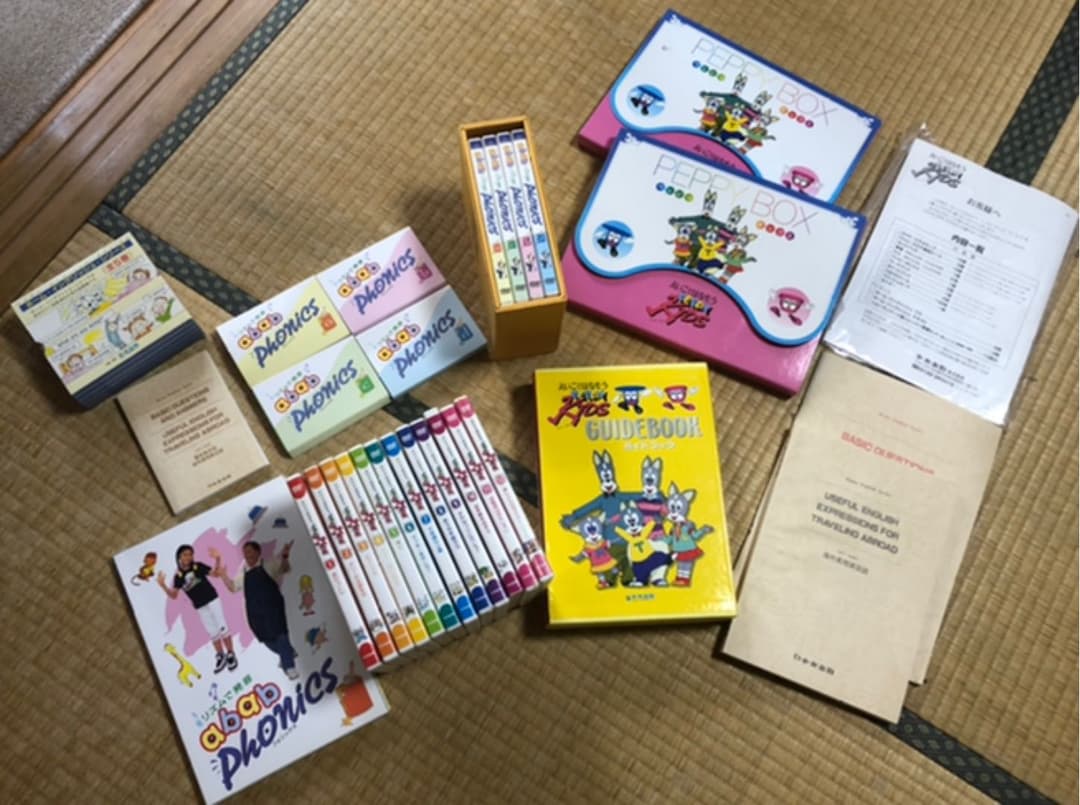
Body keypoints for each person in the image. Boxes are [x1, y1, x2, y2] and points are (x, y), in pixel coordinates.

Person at [214, 541, 299, 680]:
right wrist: (223, 575)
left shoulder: (269, 565)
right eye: (245, 552)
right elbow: (233, 587)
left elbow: (284, 568)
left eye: (250, 551)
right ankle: (287, 653)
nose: (247, 555)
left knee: (281, 634)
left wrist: (284, 556)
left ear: (258, 552)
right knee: (266, 639)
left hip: (273, 608)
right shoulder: (243, 573)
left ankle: (289, 666)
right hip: (256, 613)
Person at [158, 545, 237, 673]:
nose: (188, 557)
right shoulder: (179, 576)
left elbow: (216, 574)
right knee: (212, 632)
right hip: (200, 605)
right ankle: (220, 656)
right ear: (179, 557)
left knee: (222, 627)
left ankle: (230, 654)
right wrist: (163, 586)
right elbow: (174, 595)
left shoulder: (198, 566)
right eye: (185, 554)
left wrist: (217, 559)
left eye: (190, 554)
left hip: (212, 599)